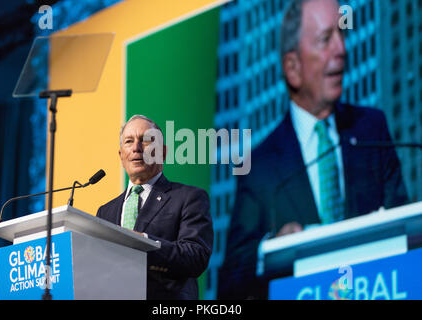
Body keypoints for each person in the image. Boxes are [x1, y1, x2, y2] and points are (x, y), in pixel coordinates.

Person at [218, 0, 408, 299]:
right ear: (292, 68)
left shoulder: (372, 129)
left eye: (341, 35)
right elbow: (230, 282)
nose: (341, 49)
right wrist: (272, 248)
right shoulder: (260, 166)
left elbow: (405, 232)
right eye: (325, 40)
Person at [97, 115, 213, 300]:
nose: (136, 148)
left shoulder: (189, 197)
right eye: (129, 141)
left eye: (146, 141)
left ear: (163, 153)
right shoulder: (105, 211)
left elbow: (196, 257)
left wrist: (144, 242)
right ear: (121, 155)